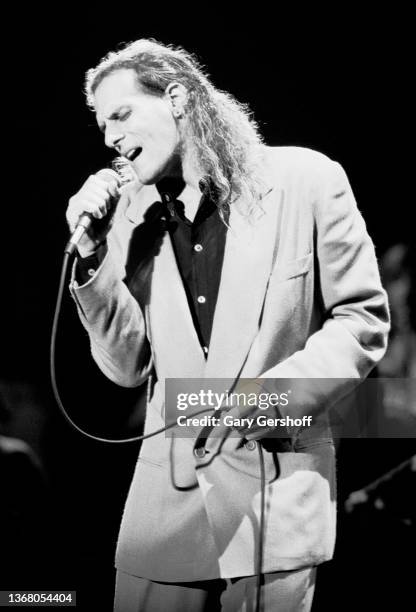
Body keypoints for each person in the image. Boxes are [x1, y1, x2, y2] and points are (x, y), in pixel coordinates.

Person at [66, 39, 390, 612]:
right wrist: (92, 261)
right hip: (164, 500)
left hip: (274, 488)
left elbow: (361, 321)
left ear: (177, 98)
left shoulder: (305, 178)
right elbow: (126, 368)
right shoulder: (129, 220)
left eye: (120, 115)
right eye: (101, 125)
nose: (110, 137)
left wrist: (272, 401)